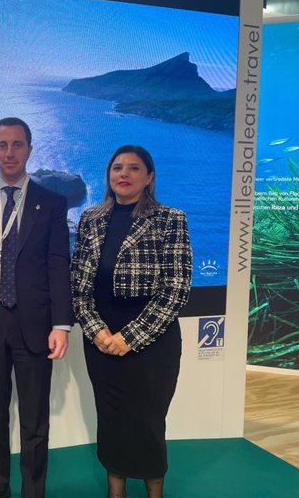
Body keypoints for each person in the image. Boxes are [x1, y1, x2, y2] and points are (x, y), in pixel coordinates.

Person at [70, 145, 192, 498]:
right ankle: (115, 490)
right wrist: (98, 332)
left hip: (152, 341)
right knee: (111, 420)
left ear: (149, 177)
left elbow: (175, 290)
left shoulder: (171, 219)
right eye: (117, 168)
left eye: (134, 168)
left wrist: (129, 338)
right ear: (109, 176)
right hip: (101, 340)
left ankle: (155, 492)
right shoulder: (91, 219)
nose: (124, 174)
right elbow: (78, 287)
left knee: (147, 421)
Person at [0, 117, 73, 498]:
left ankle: (33, 491)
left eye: (17, 144)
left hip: (35, 323)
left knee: (34, 420)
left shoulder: (52, 202)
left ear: (29, 148)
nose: (9, 152)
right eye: (2, 145)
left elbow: (59, 263)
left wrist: (61, 323)